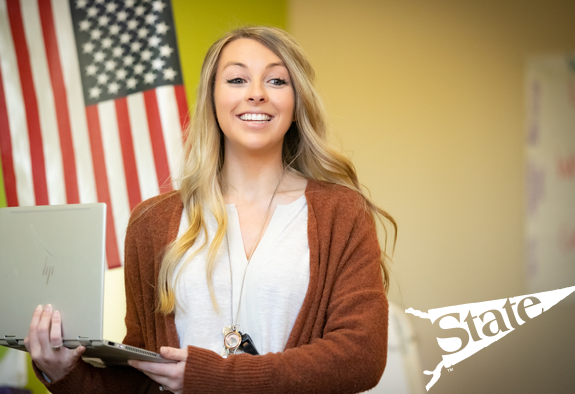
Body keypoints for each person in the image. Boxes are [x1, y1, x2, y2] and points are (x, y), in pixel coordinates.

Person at [25, 26, 396, 394]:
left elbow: (361, 356)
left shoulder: (343, 213)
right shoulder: (150, 222)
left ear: (297, 104)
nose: (256, 94)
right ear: (212, 99)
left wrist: (214, 378)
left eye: (277, 81)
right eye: (236, 79)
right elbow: (140, 380)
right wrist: (64, 374)